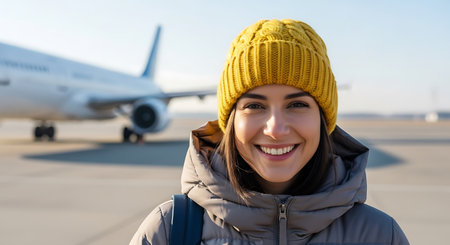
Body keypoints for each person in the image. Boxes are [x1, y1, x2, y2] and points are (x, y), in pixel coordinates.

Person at [129, 19, 409, 245]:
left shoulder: (380, 235)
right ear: (231, 121)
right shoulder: (169, 230)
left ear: (324, 121)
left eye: (297, 104)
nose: (275, 129)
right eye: (254, 106)